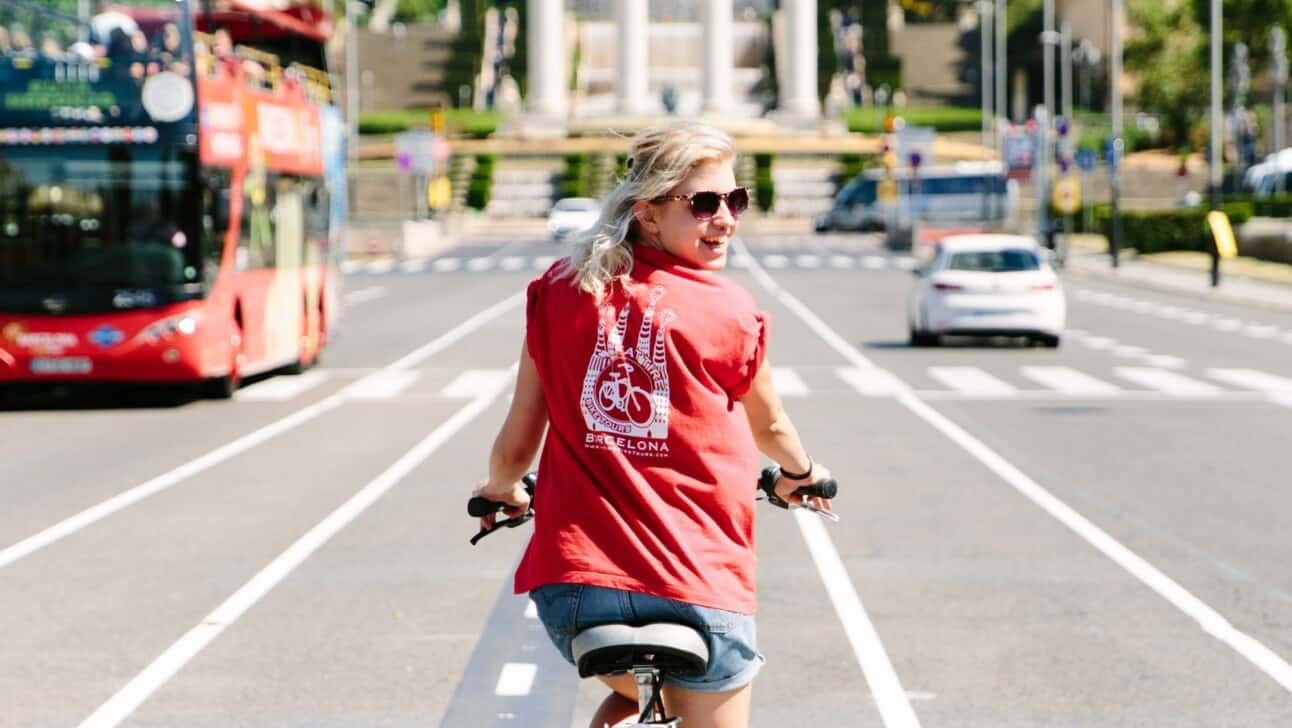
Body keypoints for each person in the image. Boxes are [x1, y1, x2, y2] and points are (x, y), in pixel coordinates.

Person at [472, 121, 834, 728]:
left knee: (631, 692)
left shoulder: (558, 292)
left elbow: (515, 446)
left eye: (734, 200)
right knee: (705, 693)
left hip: (577, 593)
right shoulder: (728, 309)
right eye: (704, 203)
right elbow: (769, 425)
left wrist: (501, 491)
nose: (725, 218)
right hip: (699, 586)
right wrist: (802, 473)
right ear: (647, 214)